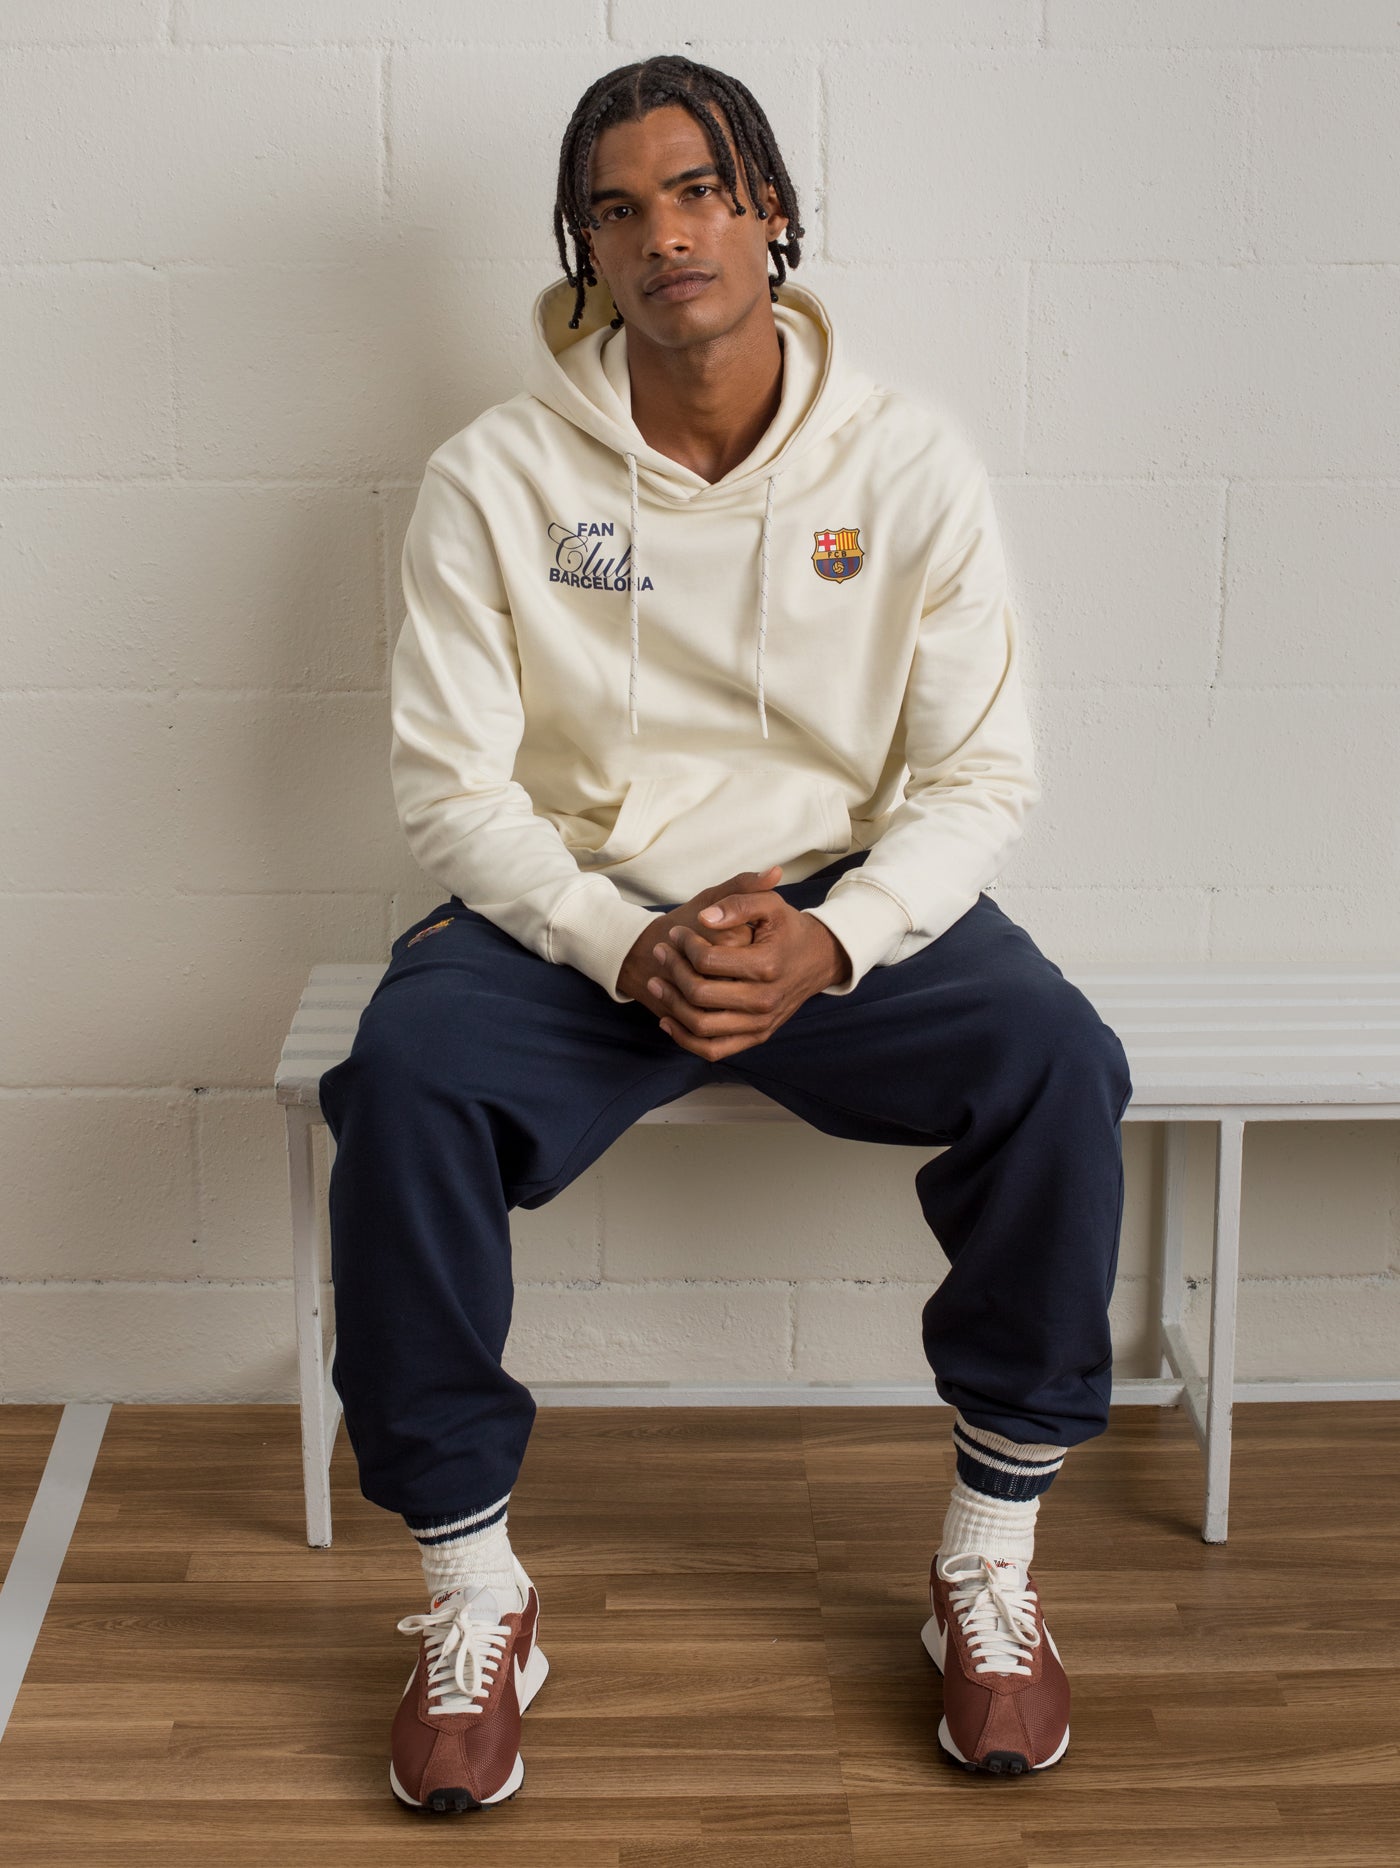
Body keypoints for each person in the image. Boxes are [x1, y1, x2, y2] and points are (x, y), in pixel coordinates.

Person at [318, 53, 1133, 1812]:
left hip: (839, 910)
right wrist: (619, 942)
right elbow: (452, 791)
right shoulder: (493, 479)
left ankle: (987, 1562)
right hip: (578, 924)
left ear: (770, 204)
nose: (663, 234)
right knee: (396, 1079)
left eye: (696, 189)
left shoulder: (905, 460)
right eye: (618, 209)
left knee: (1059, 1060)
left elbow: (980, 774)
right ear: (583, 249)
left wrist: (839, 945)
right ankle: (475, 1592)